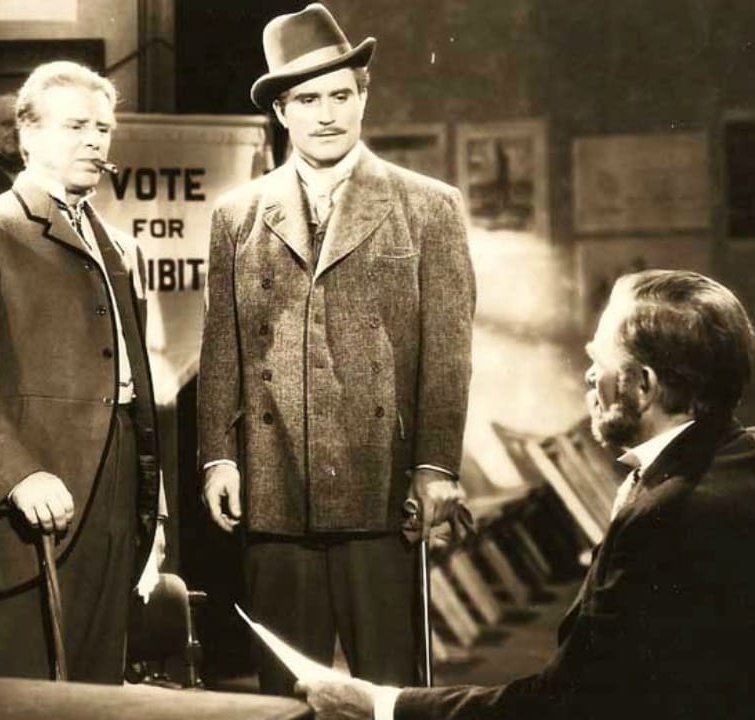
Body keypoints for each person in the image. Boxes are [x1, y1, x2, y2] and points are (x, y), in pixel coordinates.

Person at [299, 269, 755, 720]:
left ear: (643, 385)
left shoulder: (662, 515)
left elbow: (561, 705)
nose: (589, 376)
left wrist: (381, 706)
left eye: (598, 361)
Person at [198, 3, 475, 695]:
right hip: (275, 485)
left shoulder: (428, 207)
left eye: (340, 96)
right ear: (281, 112)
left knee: (390, 690)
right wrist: (218, 456)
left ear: (363, 98)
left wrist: (436, 465)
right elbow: (222, 349)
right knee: (286, 693)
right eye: (308, 100)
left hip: (382, 486)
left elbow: (448, 354)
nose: (327, 115)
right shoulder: (237, 215)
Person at [0, 60, 166, 683]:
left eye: (103, 128)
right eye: (76, 126)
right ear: (28, 134)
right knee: (19, 693)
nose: (94, 141)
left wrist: (154, 506)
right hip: (26, 507)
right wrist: (19, 475)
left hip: (115, 493)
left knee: (97, 690)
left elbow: (136, 389)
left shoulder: (120, 247)